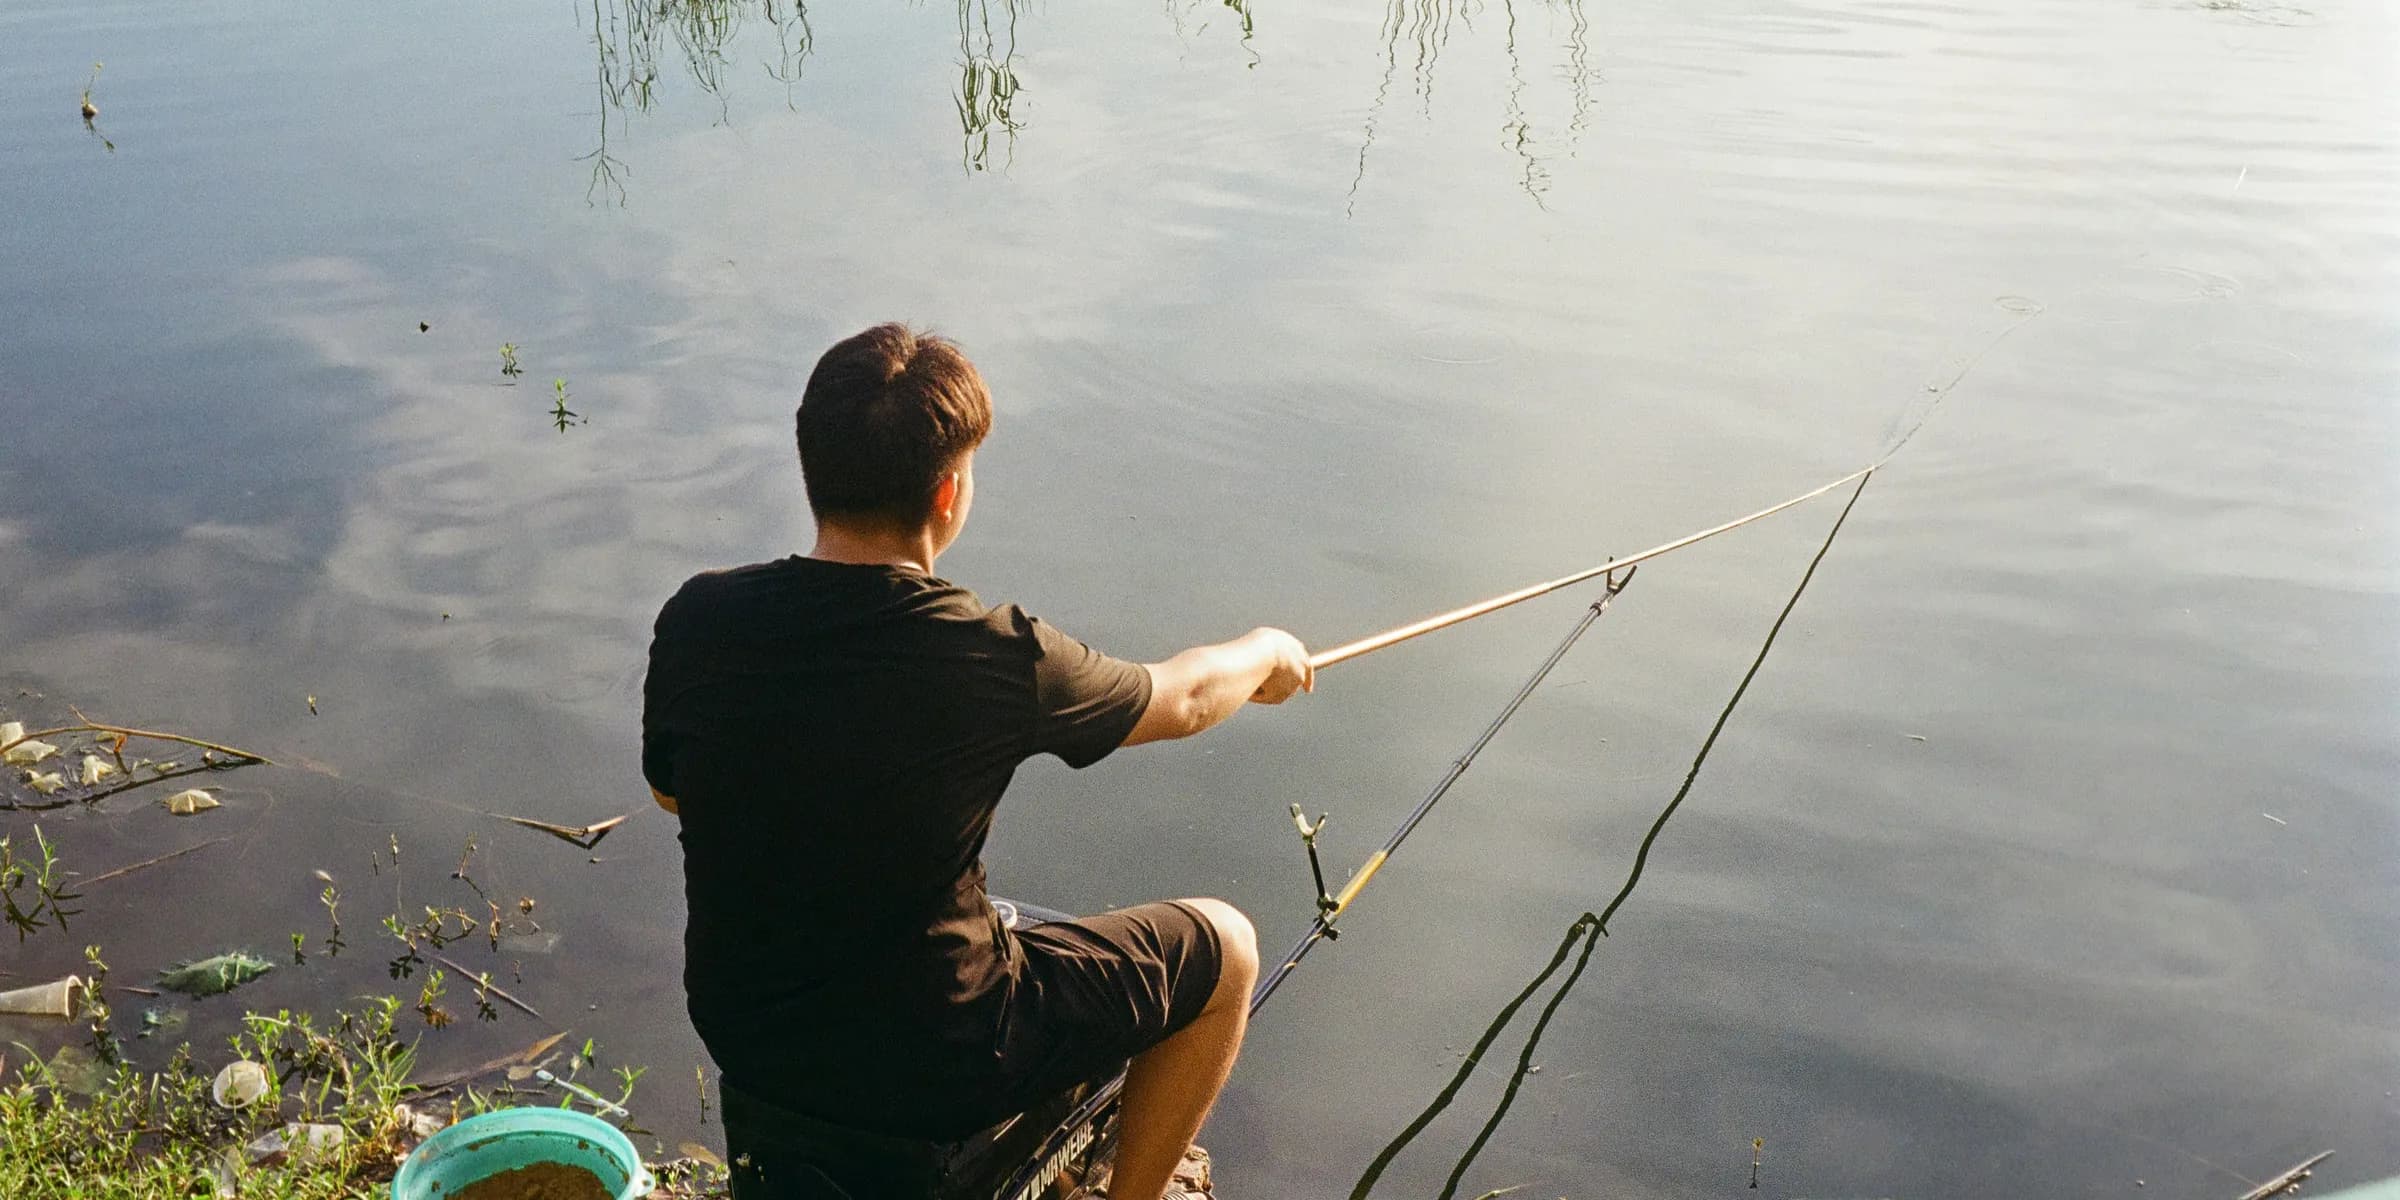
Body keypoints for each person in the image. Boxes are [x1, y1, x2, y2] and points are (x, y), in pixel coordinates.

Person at [642, 323, 1313, 1200]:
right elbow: (1183, 697)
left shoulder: (699, 616)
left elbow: (669, 793)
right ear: (949, 494)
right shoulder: (993, 657)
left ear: (812, 467)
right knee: (1223, 949)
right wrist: (1268, 651)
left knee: (1011, 917)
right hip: (933, 1061)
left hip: (748, 1033)